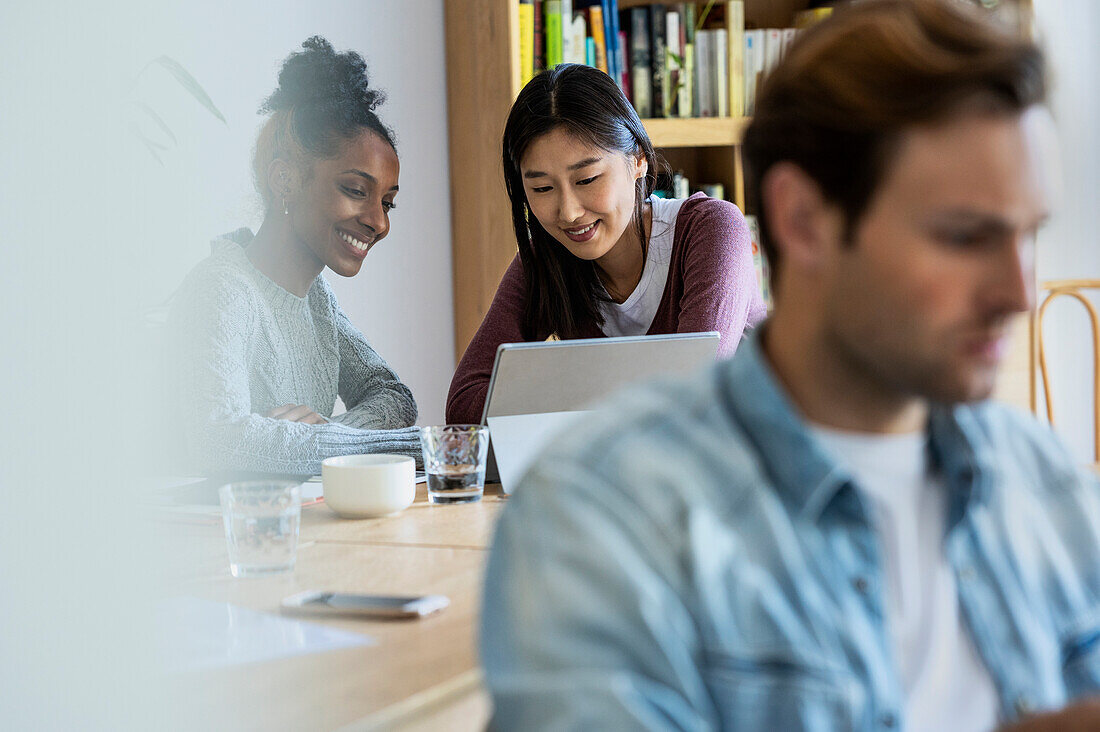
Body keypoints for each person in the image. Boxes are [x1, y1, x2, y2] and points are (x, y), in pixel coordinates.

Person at [480, 1, 1100, 729]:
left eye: (1027, 236)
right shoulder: (599, 520)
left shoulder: (1046, 487)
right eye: (964, 236)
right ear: (803, 220)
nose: (1020, 293)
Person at [445, 64, 767, 424]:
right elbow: (464, 406)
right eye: (542, 189)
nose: (568, 212)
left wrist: (560, 395)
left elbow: (694, 402)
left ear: (638, 161)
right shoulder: (546, 259)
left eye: (587, 179)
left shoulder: (711, 231)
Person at [170, 37, 421, 475]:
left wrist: (320, 435)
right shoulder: (223, 288)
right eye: (356, 191)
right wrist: (344, 446)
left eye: (388, 203)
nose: (379, 223)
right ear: (285, 179)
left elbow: (393, 397)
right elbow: (219, 441)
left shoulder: (316, 299)